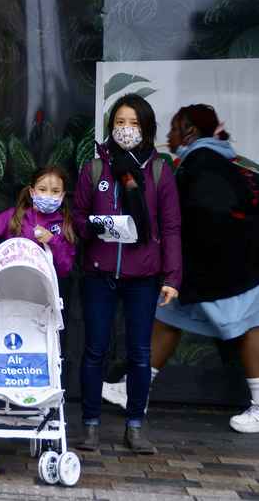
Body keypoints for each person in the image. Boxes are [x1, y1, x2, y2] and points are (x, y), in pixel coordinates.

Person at [102, 104, 259, 433]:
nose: (169, 136)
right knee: (168, 318)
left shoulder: (203, 165)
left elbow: (204, 221)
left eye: (173, 129)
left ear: (188, 131)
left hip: (224, 272)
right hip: (210, 270)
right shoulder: (209, 161)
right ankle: (134, 389)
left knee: (244, 327)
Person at [73, 93, 181, 454]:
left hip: (143, 276)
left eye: (133, 123)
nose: (126, 130)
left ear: (147, 127)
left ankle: (135, 427)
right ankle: (90, 427)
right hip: (99, 273)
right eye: (119, 122)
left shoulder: (159, 170)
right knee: (94, 351)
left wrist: (172, 277)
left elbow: (170, 228)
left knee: (139, 354)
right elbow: (77, 217)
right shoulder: (95, 168)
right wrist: (97, 225)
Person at [0, 165, 76, 279]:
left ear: (62, 195)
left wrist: (52, 241)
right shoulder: (13, 216)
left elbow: (65, 269)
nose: (48, 195)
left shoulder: (64, 224)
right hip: (9, 283)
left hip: (42, 289)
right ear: (32, 192)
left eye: (55, 191)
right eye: (42, 190)